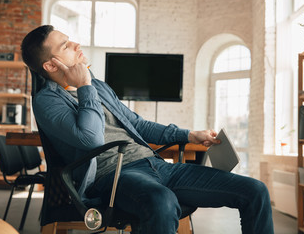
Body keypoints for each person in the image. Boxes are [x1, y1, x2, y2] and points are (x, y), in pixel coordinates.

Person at [21, 25, 274, 234]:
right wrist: (85, 85)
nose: (76, 45)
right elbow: (91, 138)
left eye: (70, 40)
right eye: (65, 46)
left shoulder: (99, 86)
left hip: (156, 165)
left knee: (255, 191)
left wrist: (189, 134)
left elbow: (137, 124)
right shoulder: (48, 101)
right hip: (114, 176)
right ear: (51, 66)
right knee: (161, 200)